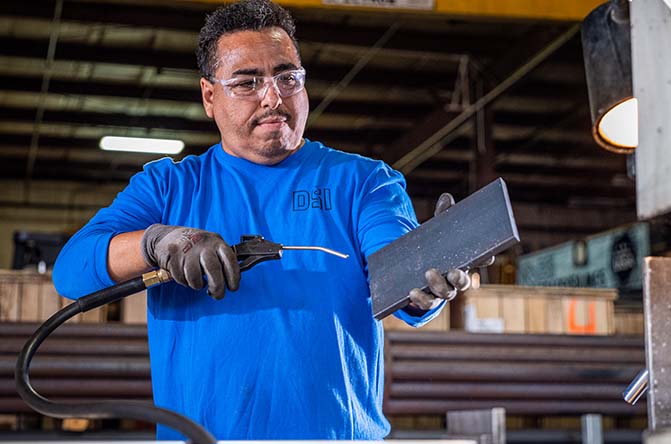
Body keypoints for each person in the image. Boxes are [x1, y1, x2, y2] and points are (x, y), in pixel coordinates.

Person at [52, 0, 472, 440]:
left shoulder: (364, 182)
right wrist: (156, 242)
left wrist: (425, 280)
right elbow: (71, 270)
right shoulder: (168, 188)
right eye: (247, 82)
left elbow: (399, 265)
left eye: (287, 77)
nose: (273, 97)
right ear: (209, 96)